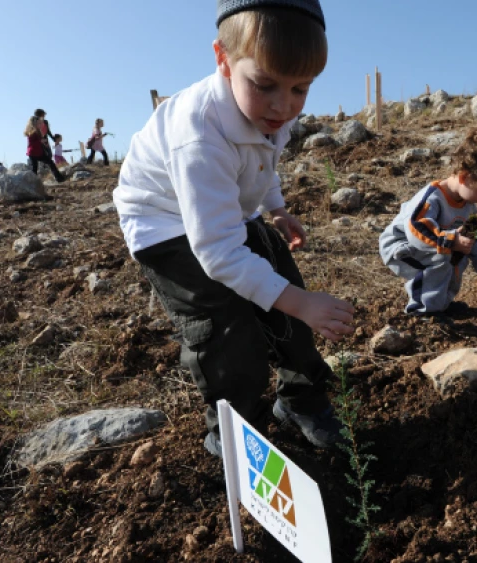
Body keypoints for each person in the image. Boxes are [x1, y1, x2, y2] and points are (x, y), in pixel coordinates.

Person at [113, 0, 354, 456]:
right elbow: (219, 253)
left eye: (301, 88)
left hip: (220, 214)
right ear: (223, 59)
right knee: (226, 325)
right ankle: (236, 432)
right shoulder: (199, 133)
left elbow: (260, 162)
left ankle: (301, 399)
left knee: (283, 294)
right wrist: (302, 302)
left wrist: (277, 209)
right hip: (164, 224)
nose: (284, 106)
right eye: (265, 85)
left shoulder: (270, 112)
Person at [379, 127, 477, 316]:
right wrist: (451, 241)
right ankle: (423, 310)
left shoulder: (468, 205)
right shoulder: (432, 197)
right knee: (442, 256)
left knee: (456, 256)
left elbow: (474, 238)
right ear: (464, 177)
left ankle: (440, 305)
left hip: (433, 243)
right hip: (400, 246)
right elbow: (416, 229)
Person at [24, 116, 65, 182]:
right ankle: (33, 183)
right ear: (34, 124)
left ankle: (59, 178)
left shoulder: (38, 132)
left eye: (41, 123)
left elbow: (40, 141)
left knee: (50, 162)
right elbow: (31, 144)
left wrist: (44, 143)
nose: (41, 125)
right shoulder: (31, 132)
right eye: (39, 123)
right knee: (34, 169)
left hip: (39, 152)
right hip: (33, 153)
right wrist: (41, 141)